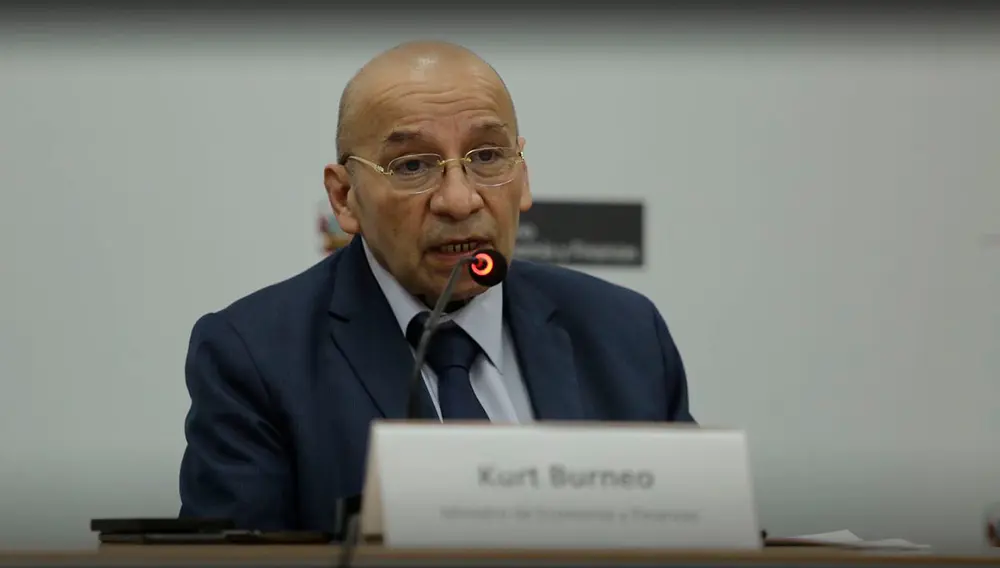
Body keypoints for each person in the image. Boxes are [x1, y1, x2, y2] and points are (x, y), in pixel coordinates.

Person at [179, 40, 694, 534]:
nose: (458, 199)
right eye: (412, 166)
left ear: (524, 176)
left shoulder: (623, 332)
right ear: (344, 198)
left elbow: (703, 547)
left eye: (488, 157)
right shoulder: (254, 356)